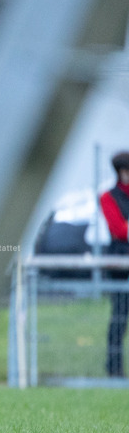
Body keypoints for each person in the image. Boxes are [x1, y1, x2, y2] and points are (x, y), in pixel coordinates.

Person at [100, 150, 129, 377]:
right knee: (119, 315)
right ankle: (114, 368)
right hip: (120, 263)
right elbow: (119, 230)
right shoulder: (108, 197)